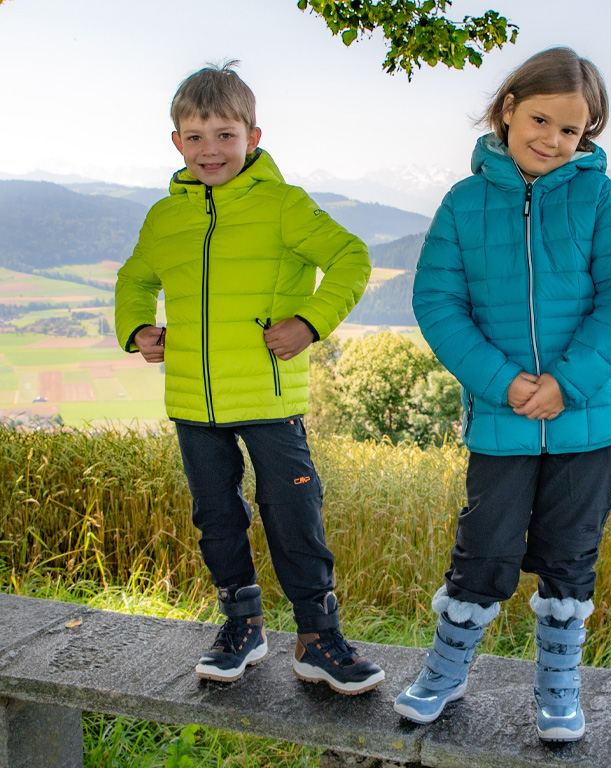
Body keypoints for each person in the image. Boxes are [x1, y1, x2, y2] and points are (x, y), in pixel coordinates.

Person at [394, 47, 611, 740]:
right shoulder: (464, 203)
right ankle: (445, 674)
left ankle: (558, 687)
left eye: (572, 130)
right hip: (503, 417)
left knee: (571, 554)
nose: (553, 139)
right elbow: (438, 302)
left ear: (587, 135)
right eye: (541, 119)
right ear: (508, 109)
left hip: (589, 419)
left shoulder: (600, 198)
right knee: (484, 549)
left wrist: (566, 383)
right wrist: (504, 383)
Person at [115, 61, 384, 694]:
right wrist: (138, 329)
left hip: (268, 396)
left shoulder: (284, 206)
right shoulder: (163, 218)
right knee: (216, 517)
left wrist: (310, 322)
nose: (211, 149)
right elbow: (135, 278)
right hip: (192, 401)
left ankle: (319, 639)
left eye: (225, 135)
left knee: (293, 513)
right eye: (196, 136)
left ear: (253, 138)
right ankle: (242, 625)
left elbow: (351, 257)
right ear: (177, 142)